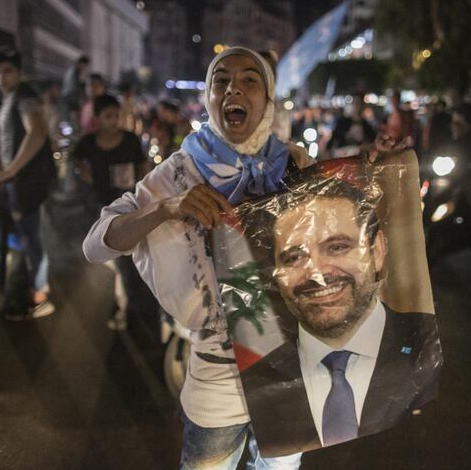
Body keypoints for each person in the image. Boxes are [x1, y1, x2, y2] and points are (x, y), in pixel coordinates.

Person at [83, 46, 314, 469]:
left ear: (266, 99)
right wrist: (167, 208)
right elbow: (96, 244)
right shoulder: (179, 171)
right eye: (220, 80)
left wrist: (380, 170)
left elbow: (341, 231)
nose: (233, 89)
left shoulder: (295, 164)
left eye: (249, 80)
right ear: (208, 97)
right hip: (218, 378)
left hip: (290, 370)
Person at [238, 175, 442, 458]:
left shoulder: (426, 349)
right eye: (294, 257)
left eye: (337, 247)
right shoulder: (258, 381)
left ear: (377, 251)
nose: (318, 274)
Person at [0, 46, 56, 320]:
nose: (1, 77)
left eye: (7, 71)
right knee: (24, 237)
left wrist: (8, 171)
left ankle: (40, 295)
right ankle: (28, 288)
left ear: (19, 73)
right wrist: (2, 168)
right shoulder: (11, 97)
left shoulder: (24, 97)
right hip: (19, 179)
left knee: (33, 238)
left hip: (27, 183)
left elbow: (36, 133)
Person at [75, 94, 149, 330]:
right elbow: (76, 160)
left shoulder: (130, 140)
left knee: (126, 263)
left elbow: (143, 167)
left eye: (117, 115)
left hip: (128, 207)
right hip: (101, 205)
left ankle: (129, 308)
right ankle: (126, 304)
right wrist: (85, 175)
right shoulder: (88, 142)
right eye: (108, 116)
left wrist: (145, 192)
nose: (114, 121)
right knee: (113, 258)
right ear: (97, 119)